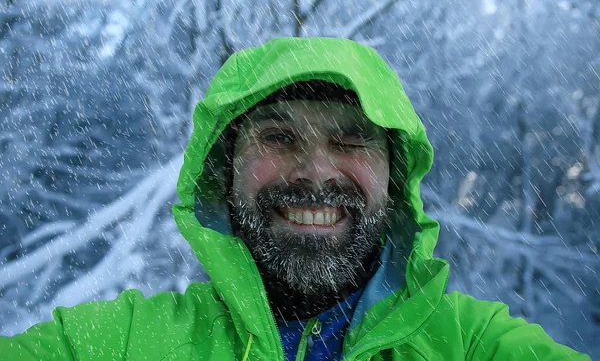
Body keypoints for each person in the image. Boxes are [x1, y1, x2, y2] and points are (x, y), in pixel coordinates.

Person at [0, 37, 590, 360]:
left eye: (351, 138)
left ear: (396, 177)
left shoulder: (471, 346)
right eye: (278, 137)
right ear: (223, 174)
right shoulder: (128, 344)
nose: (314, 172)